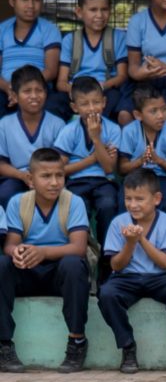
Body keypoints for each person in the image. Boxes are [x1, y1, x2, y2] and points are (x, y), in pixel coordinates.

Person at [0, 148, 91, 373]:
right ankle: (3, 345)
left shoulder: (74, 202)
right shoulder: (18, 202)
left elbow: (79, 247)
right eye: (46, 176)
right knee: (1, 264)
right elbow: (10, 244)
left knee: (73, 264)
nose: (54, 182)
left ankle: (77, 341)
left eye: (59, 175)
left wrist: (42, 252)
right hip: (28, 271)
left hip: (58, 273)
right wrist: (18, 252)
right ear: (30, 179)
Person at [98, 169, 166, 374]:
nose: (133, 205)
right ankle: (127, 347)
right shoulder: (118, 223)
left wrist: (140, 239)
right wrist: (129, 245)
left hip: (160, 277)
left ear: (156, 199)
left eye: (139, 199)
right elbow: (115, 266)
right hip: (127, 278)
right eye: (128, 199)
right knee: (106, 293)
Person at [54, 76, 122, 254]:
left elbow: (108, 168)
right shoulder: (69, 131)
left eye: (96, 102)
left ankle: (107, 260)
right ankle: (82, 258)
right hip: (76, 182)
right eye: (84, 104)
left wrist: (96, 138)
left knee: (108, 205)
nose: (91, 108)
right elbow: (60, 170)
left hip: (103, 181)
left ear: (104, 102)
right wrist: (91, 160)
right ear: (74, 108)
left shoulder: (113, 129)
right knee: (77, 206)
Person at [54, 0, 130, 124]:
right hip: (75, 90)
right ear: (79, 12)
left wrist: (101, 87)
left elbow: (122, 76)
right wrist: (76, 91)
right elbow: (61, 82)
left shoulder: (118, 38)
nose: (100, 15)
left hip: (105, 89)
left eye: (104, 9)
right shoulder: (71, 40)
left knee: (110, 101)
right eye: (93, 10)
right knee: (54, 104)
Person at [0, 66, 66, 207]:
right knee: (6, 193)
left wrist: (42, 177)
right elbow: (1, 164)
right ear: (15, 96)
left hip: (50, 178)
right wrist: (22, 176)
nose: (34, 96)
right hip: (17, 177)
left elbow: (61, 162)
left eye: (39, 90)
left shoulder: (57, 124)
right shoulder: (4, 124)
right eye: (27, 91)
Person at [118, 84, 166, 218]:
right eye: (153, 111)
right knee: (123, 201)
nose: (161, 115)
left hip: (163, 178)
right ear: (138, 115)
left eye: (164, 109)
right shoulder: (129, 131)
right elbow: (122, 168)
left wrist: (158, 160)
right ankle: (129, 238)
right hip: (136, 177)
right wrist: (140, 161)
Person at [0, 0, 61, 117]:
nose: (31, 5)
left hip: (38, 89)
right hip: (6, 89)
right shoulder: (2, 29)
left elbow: (51, 71)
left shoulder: (49, 30)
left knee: (51, 109)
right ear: (12, 1)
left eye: (36, 0)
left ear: (42, 2)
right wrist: (10, 89)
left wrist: (25, 89)